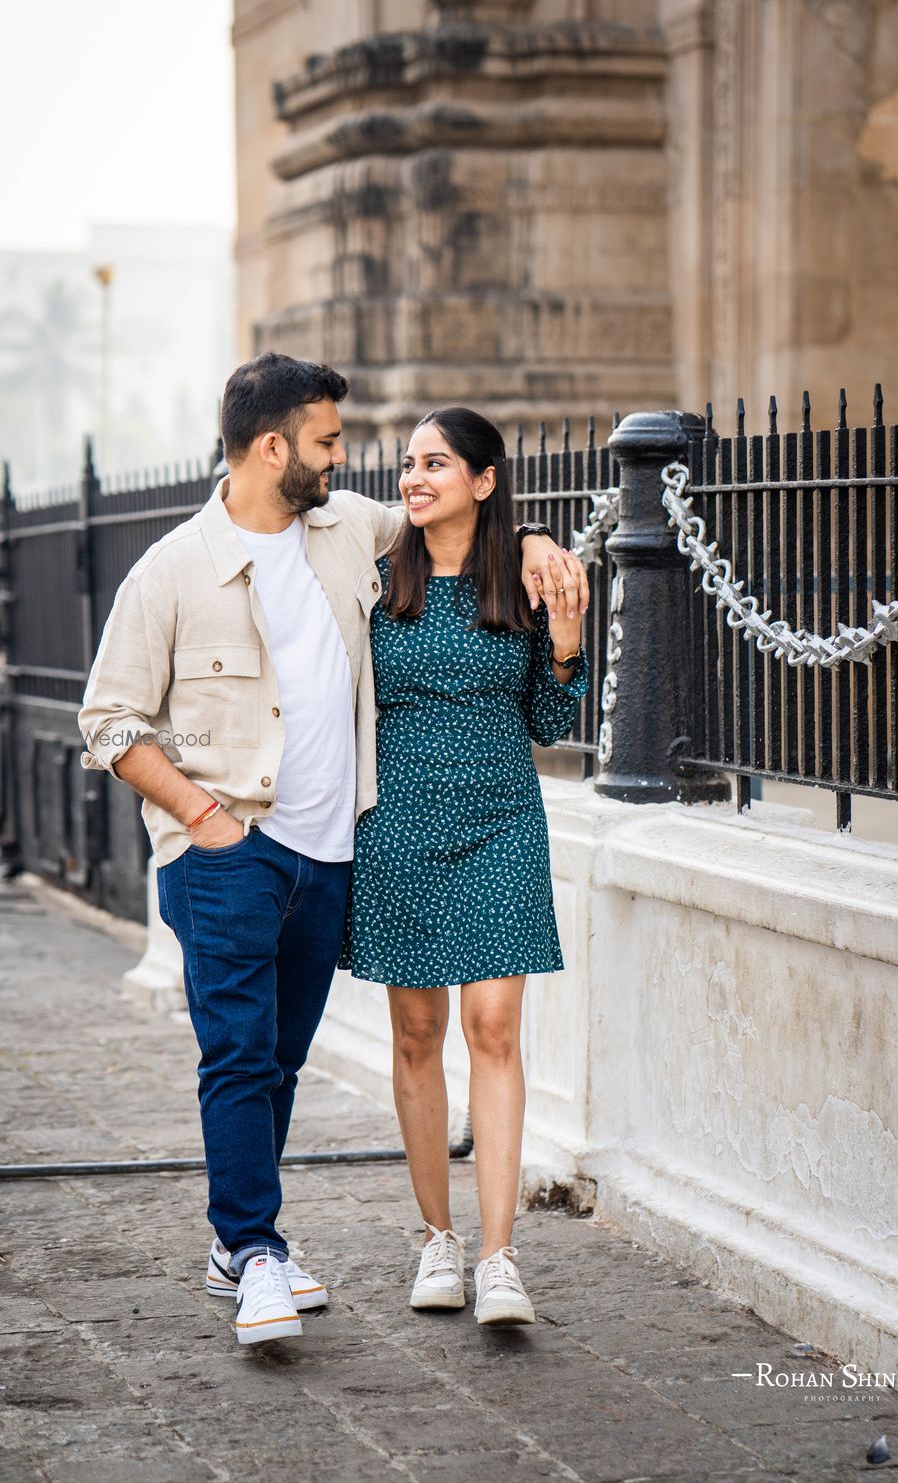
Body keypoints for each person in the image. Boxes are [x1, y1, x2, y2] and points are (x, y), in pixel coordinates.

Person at [77, 353, 589, 1347]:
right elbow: (108, 719)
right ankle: (256, 1249)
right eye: (328, 441)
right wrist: (205, 815)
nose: (348, 461)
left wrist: (528, 537)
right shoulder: (174, 568)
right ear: (274, 448)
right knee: (237, 1056)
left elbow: (456, 525)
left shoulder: (347, 530)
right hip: (229, 849)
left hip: (329, 856)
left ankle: (252, 1246)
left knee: (275, 1061)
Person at [340, 406, 589, 1326]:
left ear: (483, 480)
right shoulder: (372, 580)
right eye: (408, 463)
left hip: (501, 821)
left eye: (435, 463)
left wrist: (564, 645)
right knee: (415, 1036)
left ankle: (499, 1257)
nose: (413, 477)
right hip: (397, 825)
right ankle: (436, 1242)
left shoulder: (523, 583)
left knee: (493, 1027)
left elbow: (550, 725)